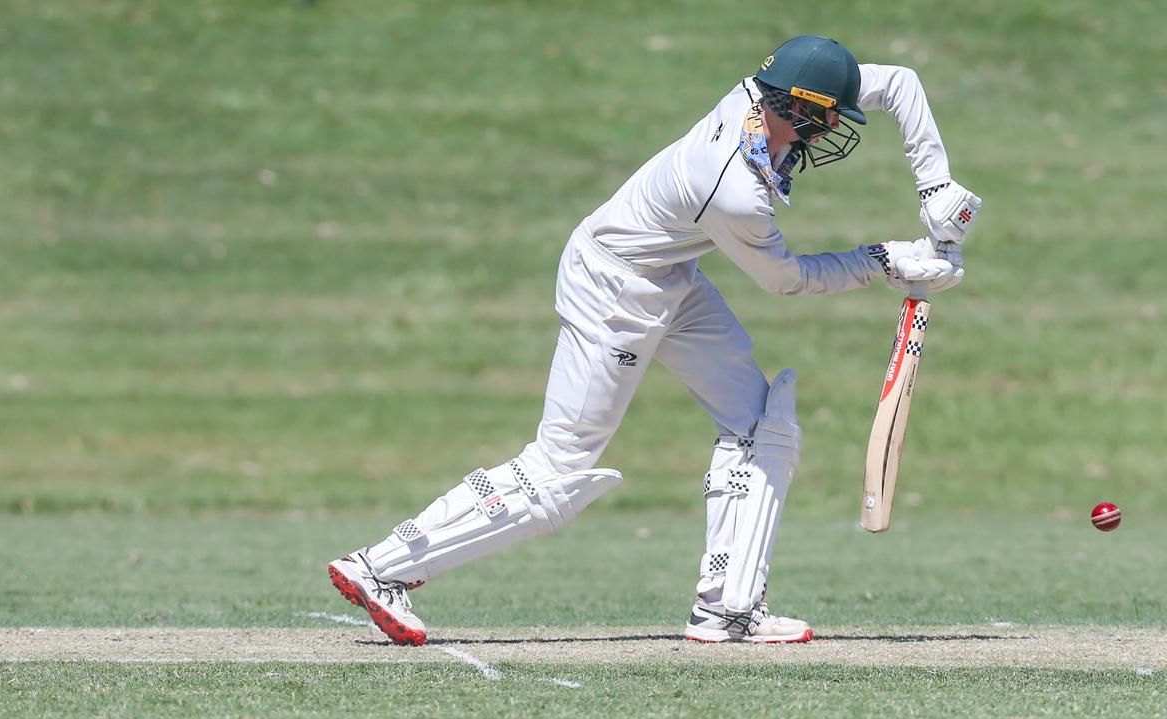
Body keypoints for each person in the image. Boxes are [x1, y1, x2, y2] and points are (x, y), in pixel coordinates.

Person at [327, 35, 981, 646]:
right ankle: (379, 568)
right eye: (830, 116)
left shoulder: (778, 94)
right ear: (799, 106)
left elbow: (899, 82)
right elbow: (784, 280)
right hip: (614, 287)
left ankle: (728, 608)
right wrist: (885, 260)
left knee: (760, 424)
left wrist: (936, 187)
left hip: (668, 275)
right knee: (559, 468)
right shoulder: (731, 190)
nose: (836, 127)